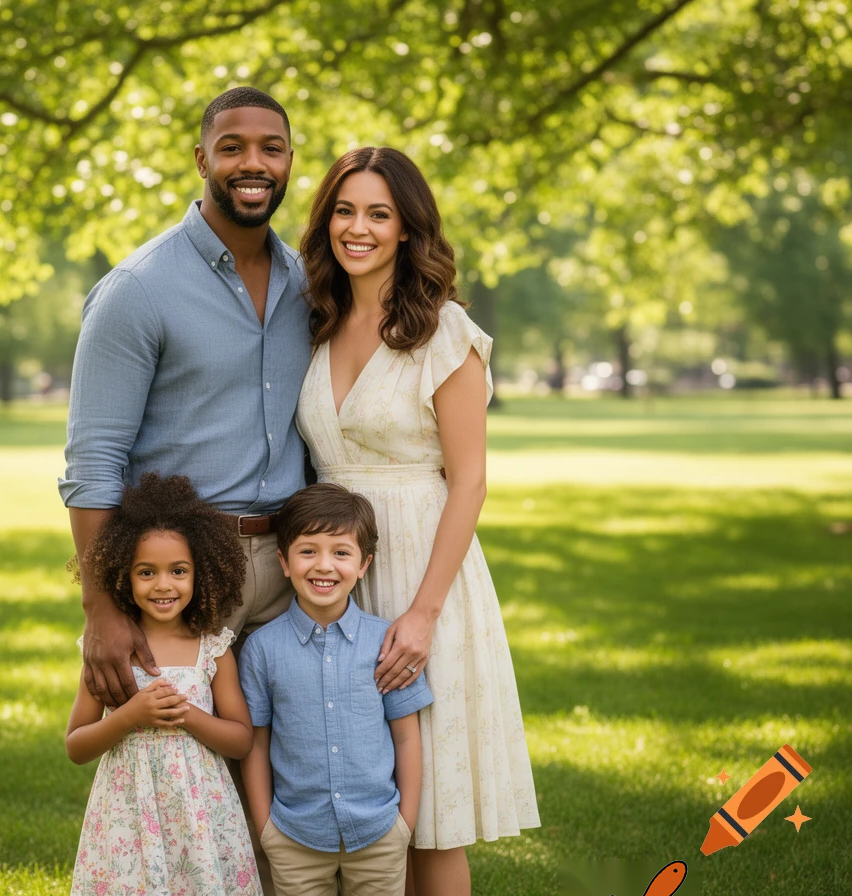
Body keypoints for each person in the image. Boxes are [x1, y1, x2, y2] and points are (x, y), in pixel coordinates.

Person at [295, 148, 541, 895]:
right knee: (359, 800)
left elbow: (469, 482)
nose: (358, 228)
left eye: (379, 214)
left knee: (427, 810)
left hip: (421, 574)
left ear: (407, 228)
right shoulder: (313, 321)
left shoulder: (444, 330)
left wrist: (423, 614)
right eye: (344, 211)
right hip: (333, 576)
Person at [59, 86, 310, 707]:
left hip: (292, 566)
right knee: (178, 757)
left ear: (289, 161)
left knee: (290, 755)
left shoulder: (310, 284)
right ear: (202, 160)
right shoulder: (137, 289)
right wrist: (100, 605)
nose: (253, 164)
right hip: (185, 568)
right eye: (232, 148)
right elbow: (93, 460)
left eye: (271, 149)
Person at [65, 473, 260, 895]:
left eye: (178, 571)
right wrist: (130, 716)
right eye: (146, 572)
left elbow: (241, 740)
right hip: (128, 814)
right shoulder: (110, 652)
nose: (164, 584)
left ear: (200, 573)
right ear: (122, 575)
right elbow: (76, 746)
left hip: (201, 815)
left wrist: (185, 714)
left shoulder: (212, 648)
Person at [239, 483, 434, 896]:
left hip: (379, 832)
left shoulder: (387, 643)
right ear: (284, 561)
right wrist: (266, 827)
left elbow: (406, 735)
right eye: (308, 551)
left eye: (341, 553)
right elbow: (256, 742)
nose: (324, 566)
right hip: (294, 837)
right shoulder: (261, 648)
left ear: (364, 564)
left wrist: (405, 823)